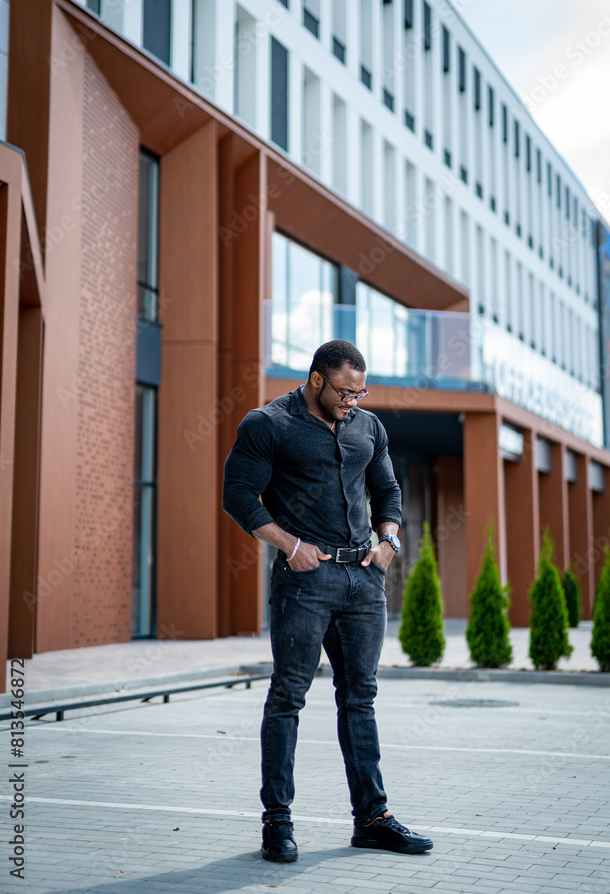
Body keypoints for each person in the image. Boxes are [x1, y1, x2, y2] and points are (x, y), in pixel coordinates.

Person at [222, 339, 433, 862]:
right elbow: (238, 494)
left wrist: (389, 542)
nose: (352, 402)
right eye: (344, 391)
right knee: (288, 698)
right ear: (316, 379)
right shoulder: (268, 424)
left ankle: (374, 819)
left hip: (364, 580)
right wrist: (289, 546)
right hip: (305, 581)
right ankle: (277, 825)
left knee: (360, 699)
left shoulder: (368, 427)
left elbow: (388, 493)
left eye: (360, 393)